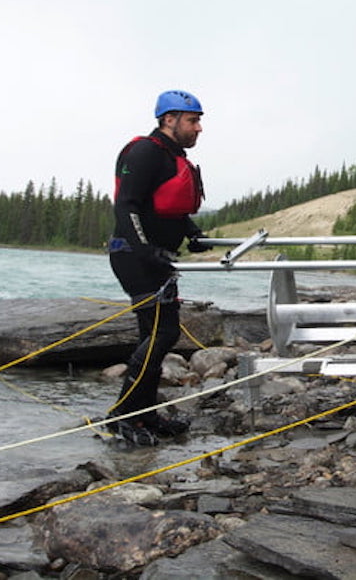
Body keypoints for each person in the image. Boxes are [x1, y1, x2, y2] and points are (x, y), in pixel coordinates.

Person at [106, 89, 212, 445]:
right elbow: (127, 206)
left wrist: (193, 233)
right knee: (162, 334)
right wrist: (145, 249)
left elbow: (170, 210)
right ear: (169, 120)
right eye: (192, 120)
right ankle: (123, 414)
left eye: (198, 121)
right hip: (133, 256)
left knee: (155, 334)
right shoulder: (145, 152)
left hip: (157, 258)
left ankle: (144, 416)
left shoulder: (172, 157)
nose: (198, 128)